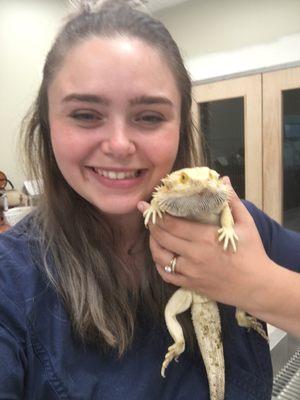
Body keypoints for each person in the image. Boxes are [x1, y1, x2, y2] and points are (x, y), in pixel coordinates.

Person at [0, 0, 299, 399]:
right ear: (47, 124)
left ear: (180, 126)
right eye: (86, 115)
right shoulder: (11, 283)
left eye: (150, 116)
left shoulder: (243, 228)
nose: (120, 145)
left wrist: (260, 286)